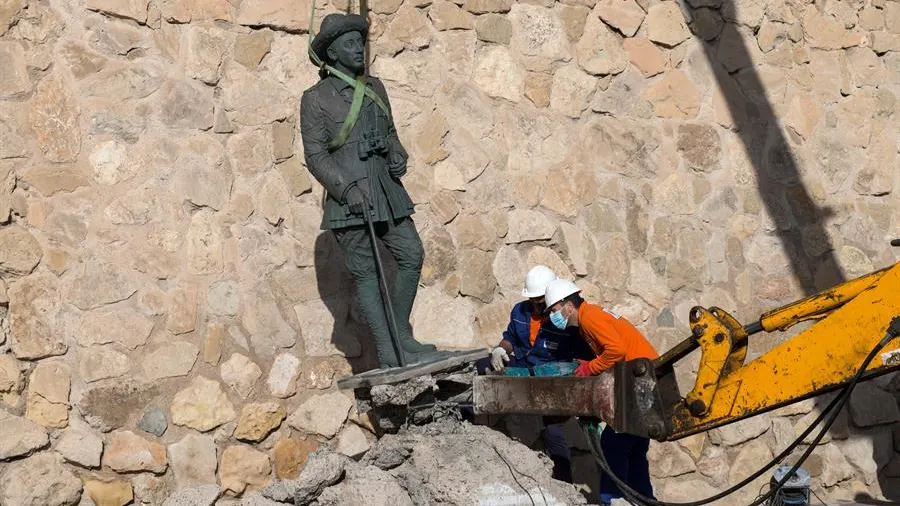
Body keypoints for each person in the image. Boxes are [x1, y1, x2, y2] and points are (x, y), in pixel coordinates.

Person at [300, 13, 437, 369]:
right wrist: (345, 190)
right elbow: (315, 156)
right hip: (352, 199)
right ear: (331, 53)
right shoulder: (315, 99)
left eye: (359, 42)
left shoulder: (375, 88)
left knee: (411, 254)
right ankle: (389, 352)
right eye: (349, 43)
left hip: (386, 189)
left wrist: (397, 155)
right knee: (367, 274)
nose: (359, 48)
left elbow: (391, 134)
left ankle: (402, 336)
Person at [543, 278, 659, 505]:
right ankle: (645, 500)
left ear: (568, 305)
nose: (552, 317)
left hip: (640, 384)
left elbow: (616, 350)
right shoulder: (590, 316)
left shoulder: (589, 318)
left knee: (613, 445)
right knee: (634, 450)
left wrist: (590, 367)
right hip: (642, 382)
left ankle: (611, 500)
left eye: (554, 310)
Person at [483, 265, 595, 484]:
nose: (536, 305)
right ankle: (463, 422)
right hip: (524, 364)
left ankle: (565, 482)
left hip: (549, 374)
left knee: (553, 427)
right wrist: (501, 349)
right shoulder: (519, 311)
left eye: (540, 301)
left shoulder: (562, 319)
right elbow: (510, 338)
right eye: (533, 300)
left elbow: (580, 357)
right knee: (481, 366)